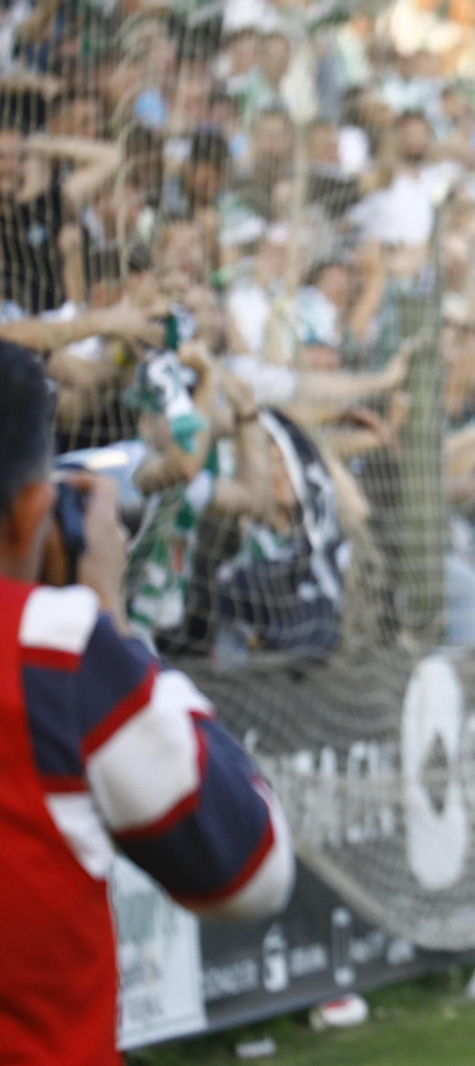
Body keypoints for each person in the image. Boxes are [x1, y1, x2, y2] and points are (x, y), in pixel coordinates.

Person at [0, 342, 294, 1065]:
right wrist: (110, 619)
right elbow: (250, 869)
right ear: (31, 508)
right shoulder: (50, 644)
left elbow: (247, 490)